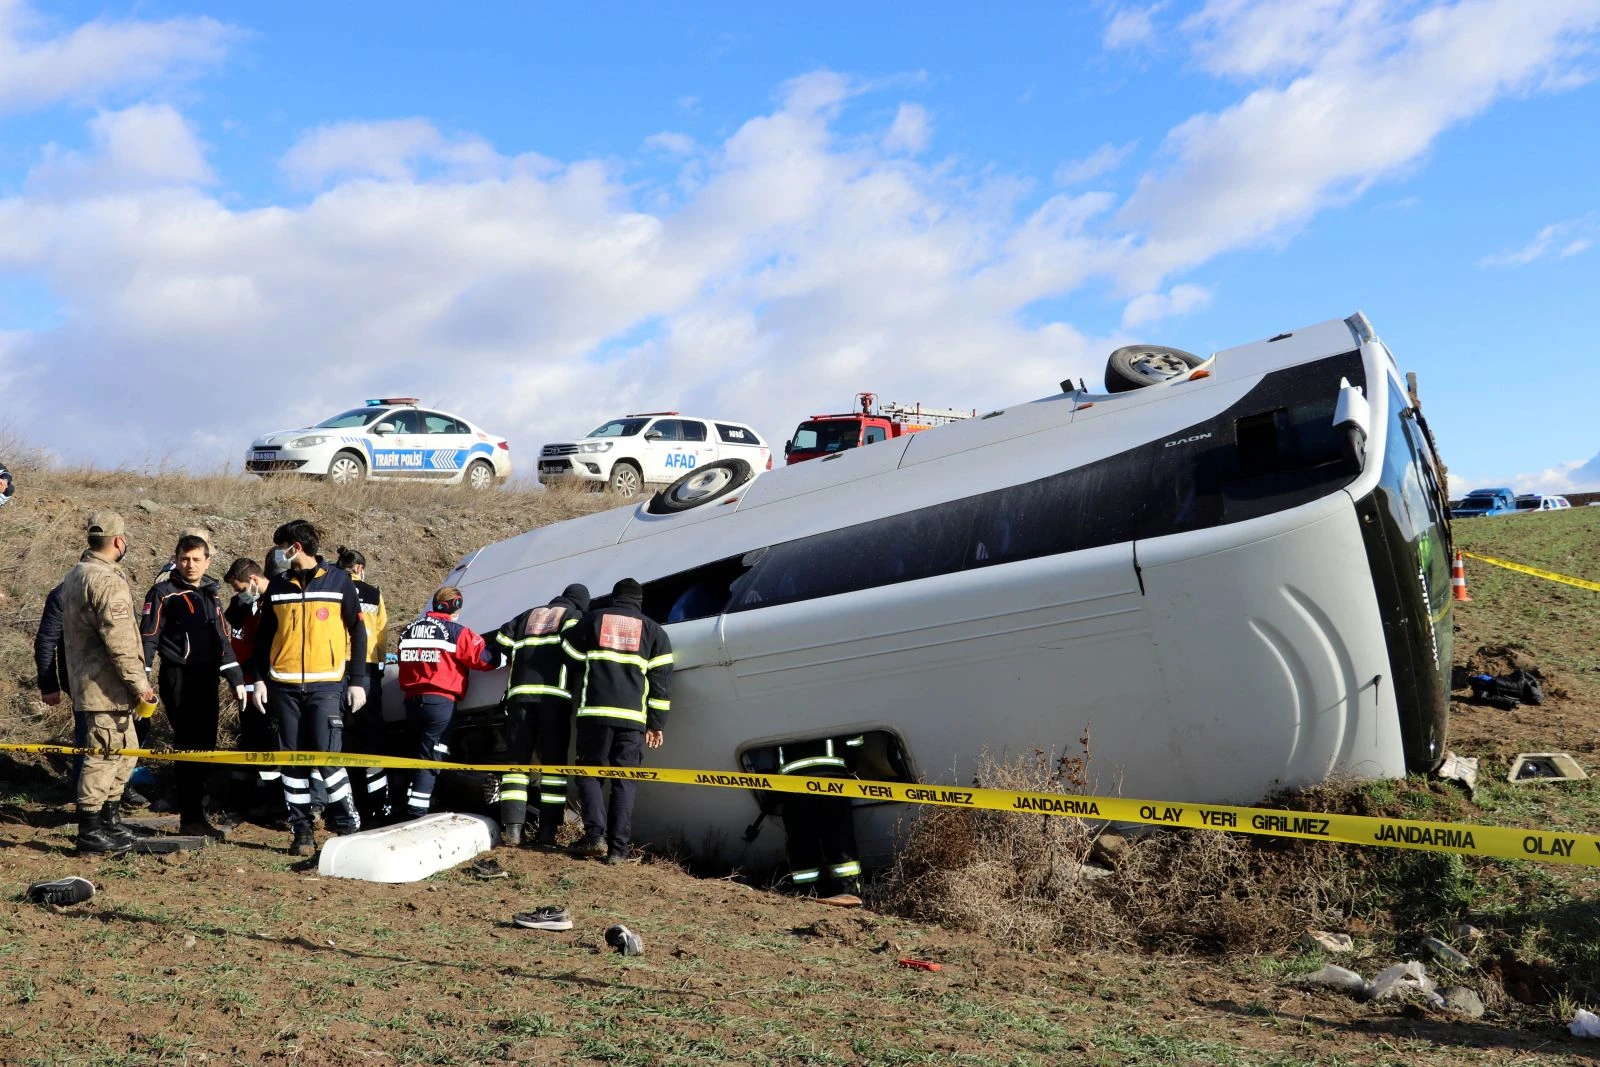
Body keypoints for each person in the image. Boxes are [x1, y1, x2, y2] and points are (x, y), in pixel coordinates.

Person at [248, 520, 367, 856]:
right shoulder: (277, 586)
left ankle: (347, 824)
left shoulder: (339, 581)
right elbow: (264, 637)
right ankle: (301, 831)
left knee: (328, 759)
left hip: (326, 685)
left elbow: (359, 633)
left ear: (295, 547)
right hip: (283, 686)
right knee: (291, 763)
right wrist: (259, 678)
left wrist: (358, 681)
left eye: (280, 547)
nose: (277, 554)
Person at [60, 511, 156, 854]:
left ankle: (110, 820)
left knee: (123, 751)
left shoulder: (76, 574)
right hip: (106, 687)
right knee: (103, 755)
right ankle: (90, 828)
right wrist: (140, 684)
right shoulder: (106, 580)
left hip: (94, 683)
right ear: (119, 541)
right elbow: (121, 641)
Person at [141, 534, 246, 838]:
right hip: (178, 676)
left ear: (207, 562)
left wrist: (236, 679)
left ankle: (196, 812)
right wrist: (141, 678)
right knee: (189, 745)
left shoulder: (211, 593)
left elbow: (222, 638)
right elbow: (148, 637)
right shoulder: (163, 593)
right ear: (176, 560)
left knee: (205, 746)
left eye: (196, 559)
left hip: (208, 678)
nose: (190, 565)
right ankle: (190, 817)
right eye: (184, 559)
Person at [566, 578, 673, 864]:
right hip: (632, 720)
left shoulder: (594, 619)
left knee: (589, 774)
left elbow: (569, 652)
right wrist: (656, 723)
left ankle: (594, 837)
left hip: (594, 714)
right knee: (624, 782)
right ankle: (617, 850)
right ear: (639, 601)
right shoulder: (654, 631)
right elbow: (661, 682)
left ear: (614, 597)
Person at [37, 553, 151, 808]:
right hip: (86, 682)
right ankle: (86, 804)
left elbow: (127, 637)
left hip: (120, 681)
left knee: (128, 735)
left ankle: (115, 794)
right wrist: (48, 684)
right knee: (91, 740)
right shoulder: (63, 594)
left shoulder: (115, 587)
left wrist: (139, 677)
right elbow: (46, 639)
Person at [488, 583, 591, 848]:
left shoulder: (528, 615)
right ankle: (547, 833)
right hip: (553, 697)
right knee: (553, 765)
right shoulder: (573, 617)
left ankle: (513, 830)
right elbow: (578, 653)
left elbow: (501, 642)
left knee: (516, 763)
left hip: (519, 696)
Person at [395, 586, 495, 819]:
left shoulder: (408, 631)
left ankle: (403, 805)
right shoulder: (456, 631)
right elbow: (484, 659)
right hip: (440, 703)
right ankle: (417, 812)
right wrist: (507, 655)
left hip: (412, 701)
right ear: (456, 607)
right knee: (432, 757)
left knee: (415, 753)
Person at [761, 734, 866, 907]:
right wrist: (852, 764)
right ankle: (847, 892)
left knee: (802, 840)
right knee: (839, 837)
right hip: (832, 780)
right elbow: (854, 738)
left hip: (791, 784)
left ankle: (807, 893)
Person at [222, 558, 283, 819]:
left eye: (240, 589)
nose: (239, 595)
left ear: (254, 581)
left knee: (266, 740)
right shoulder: (246, 606)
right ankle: (246, 797)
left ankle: (271, 800)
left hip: (268, 682)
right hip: (249, 681)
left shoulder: (275, 602)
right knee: (252, 739)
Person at [335, 547, 392, 824]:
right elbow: (381, 635)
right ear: (359, 568)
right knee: (371, 740)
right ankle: (378, 807)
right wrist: (380, 664)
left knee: (336, 738)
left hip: (335, 668)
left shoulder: (331, 588)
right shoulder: (373, 593)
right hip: (366, 669)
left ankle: (340, 808)